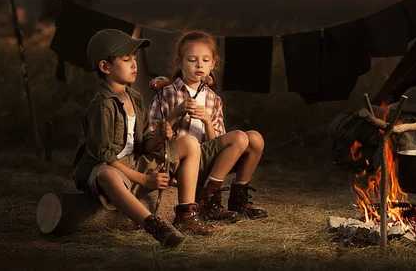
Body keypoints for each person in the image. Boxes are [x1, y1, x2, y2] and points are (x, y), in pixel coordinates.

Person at [71, 29, 221, 249]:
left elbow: (142, 144)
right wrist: (143, 180)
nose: (134, 64)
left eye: (134, 58)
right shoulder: (102, 105)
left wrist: (159, 138)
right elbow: (103, 157)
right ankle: (154, 225)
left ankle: (185, 214)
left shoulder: (135, 98)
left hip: (134, 163)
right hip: (107, 169)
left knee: (189, 143)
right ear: (105, 67)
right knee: (108, 175)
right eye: (126, 59)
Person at [148, 30, 269, 223]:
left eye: (205, 60)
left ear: (213, 64)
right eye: (192, 60)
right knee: (239, 136)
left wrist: (206, 120)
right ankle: (208, 201)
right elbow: (153, 138)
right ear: (180, 63)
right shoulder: (168, 93)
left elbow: (217, 143)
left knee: (254, 138)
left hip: (207, 162)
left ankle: (238, 200)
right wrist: (175, 114)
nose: (199, 65)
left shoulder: (214, 99)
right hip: (180, 160)